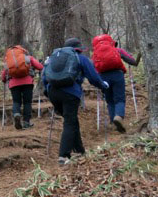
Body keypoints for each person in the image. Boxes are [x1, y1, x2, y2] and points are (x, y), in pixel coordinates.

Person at [42, 38, 109, 166]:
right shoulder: (80, 58)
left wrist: (47, 91)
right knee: (70, 122)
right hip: (70, 93)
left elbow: (44, 76)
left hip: (53, 93)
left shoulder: (53, 57)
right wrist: (103, 85)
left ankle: (79, 150)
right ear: (78, 48)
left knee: (71, 121)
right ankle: (63, 155)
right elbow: (93, 77)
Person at [91, 34, 141, 133]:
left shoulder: (95, 54)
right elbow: (133, 62)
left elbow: (93, 67)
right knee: (119, 99)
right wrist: (138, 56)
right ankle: (118, 116)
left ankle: (113, 122)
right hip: (117, 75)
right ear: (112, 42)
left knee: (109, 100)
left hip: (103, 77)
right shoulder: (117, 50)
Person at [1, 45, 44, 130]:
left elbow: (4, 74)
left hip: (14, 84)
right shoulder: (28, 58)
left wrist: (4, 80)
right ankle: (26, 122)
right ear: (22, 51)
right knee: (27, 102)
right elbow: (40, 67)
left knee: (16, 101)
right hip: (27, 82)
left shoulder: (8, 61)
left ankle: (16, 114)